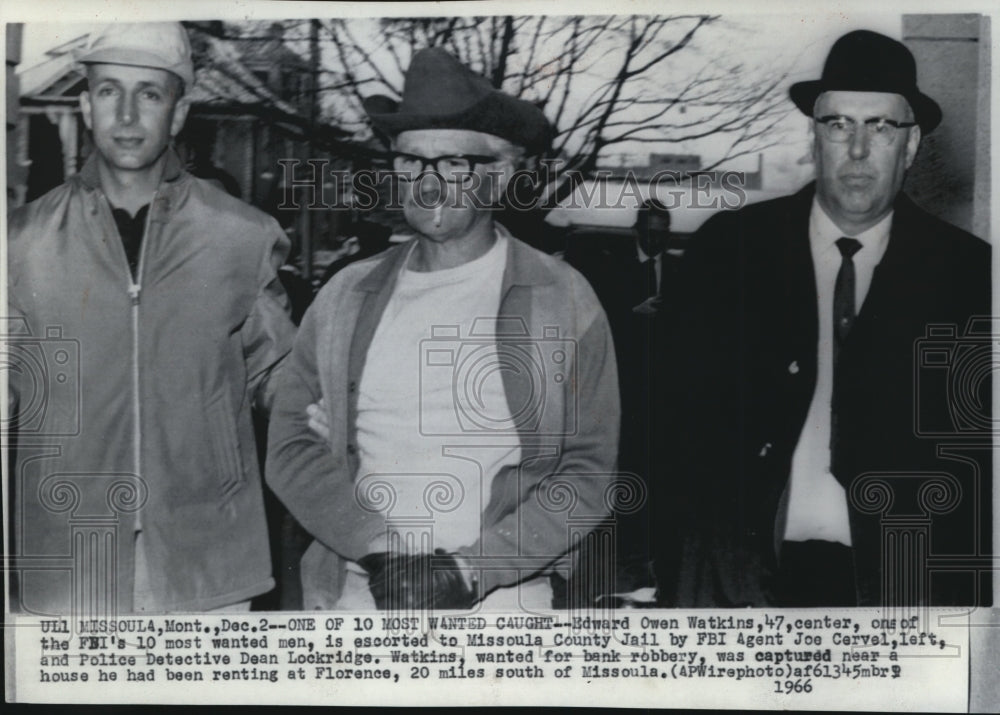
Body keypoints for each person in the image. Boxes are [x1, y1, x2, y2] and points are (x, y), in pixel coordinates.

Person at [266, 48, 620, 610]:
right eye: (411, 163)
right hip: (359, 596)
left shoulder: (562, 299)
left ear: (500, 175)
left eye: (454, 164)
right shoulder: (344, 297)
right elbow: (289, 447)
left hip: (503, 604)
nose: (428, 184)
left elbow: (586, 473)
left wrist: (470, 570)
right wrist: (379, 551)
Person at [656, 30, 991, 608]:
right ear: (814, 137)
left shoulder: (970, 276)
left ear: (911, 147)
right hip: (736, 580)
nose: (857, 149)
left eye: (881, 127)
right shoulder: (728, 252)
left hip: (901, 588)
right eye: (838, 124)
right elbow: (666, 428)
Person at [7, 22, 296, 614]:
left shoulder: (243, 235)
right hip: (68, 563)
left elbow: (283, 380)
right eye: (110, 91)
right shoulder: (20, 242)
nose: (129, 114)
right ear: (85, 106)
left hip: (209, 563)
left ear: (180, 111)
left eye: (151, 93)